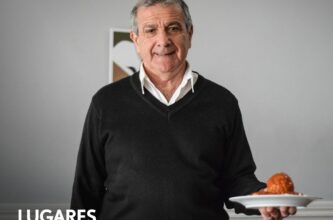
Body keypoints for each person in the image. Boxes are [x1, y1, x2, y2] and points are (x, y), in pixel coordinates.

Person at [71, 0, 296, 219]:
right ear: (136, 40)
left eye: (173, 28)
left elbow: (237, 179)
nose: (163, 40)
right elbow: (85, 192)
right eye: (150, 30)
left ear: (189, 34)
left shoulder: (222, 102)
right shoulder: (105, 103)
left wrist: (265, 201)